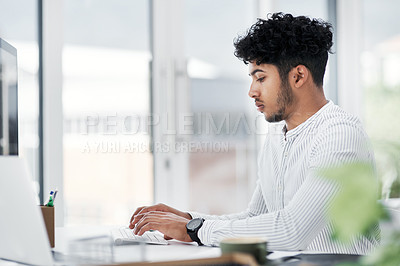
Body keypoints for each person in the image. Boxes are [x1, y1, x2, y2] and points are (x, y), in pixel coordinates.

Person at [129, 13, 379, 254]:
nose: (251, 91)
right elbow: (255, 218)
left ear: (298, 76)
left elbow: (291, 231)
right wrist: (188, 219)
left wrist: (194, 230)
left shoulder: (339, 135)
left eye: (260, 78)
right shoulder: (276, 136)